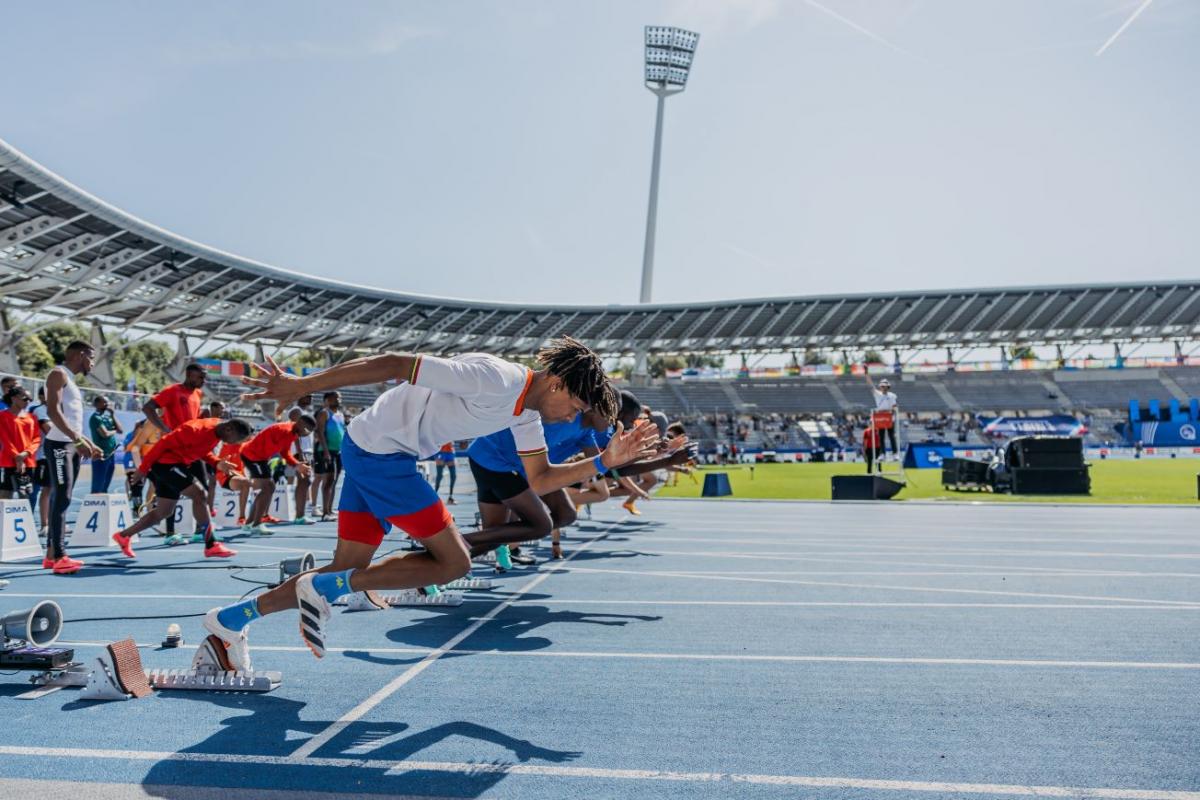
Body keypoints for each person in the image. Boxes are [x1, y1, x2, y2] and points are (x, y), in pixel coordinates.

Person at [202, 338, 654, 671]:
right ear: (555, 384)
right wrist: (302, 384)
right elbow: (395, 363)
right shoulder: (495, 377)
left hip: (373, 451)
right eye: (573, 406)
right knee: (453, 562)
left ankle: (226, 621)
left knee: (339, 571)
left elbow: (541, 478)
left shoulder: (526, 411)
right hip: (383, 455)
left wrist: (603, 461)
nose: (571, 418)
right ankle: (323, 591)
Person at [112, 417, 253, 558]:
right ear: (229, 429)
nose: (234, 443)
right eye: (236, 439)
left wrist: (217, 463)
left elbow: (202, 450)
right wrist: (142, 470)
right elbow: (161, 444)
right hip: (166, 465)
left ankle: (123, 536)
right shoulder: (195, 430)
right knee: (200, 494)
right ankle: (211, 544)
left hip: (175, 465)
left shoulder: (217, 432)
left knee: (163, 512)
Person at [43, 341, 103, 574]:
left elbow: (73, 423)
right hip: (59, 446)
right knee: (62, 497)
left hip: (70, 445)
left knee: (63, 498)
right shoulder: (58, 374)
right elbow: (53, 412)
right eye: (91, 358)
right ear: (80, 355)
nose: (93, 363)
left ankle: (50, 556)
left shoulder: (71, 381)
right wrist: (77, 441)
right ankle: (60, 556)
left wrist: (89, 443)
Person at [239, 416, 316, 534]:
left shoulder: (293, 432)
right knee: (268, 487)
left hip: (260, 458)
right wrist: (296, 465)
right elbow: (274, 449)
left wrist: (297, 464)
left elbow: (284, 452)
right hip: (252, 456)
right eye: (306, 430)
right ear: (299, 423)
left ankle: (249, 523)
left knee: (267, 488)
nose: (306, 434)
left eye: (309, 432)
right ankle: (256, 524)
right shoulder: (285, 431)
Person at [0, 385, 40, 500]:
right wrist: (17, 457)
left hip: (28, 462)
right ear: (13, 398)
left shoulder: (32, 418)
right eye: (24, 398)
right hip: (8, 462)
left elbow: (37, 439)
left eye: (30, 399)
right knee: (5, 495)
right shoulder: (2, 416)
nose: (28, 401)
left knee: (25, 495)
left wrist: (26, 453)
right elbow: (4, 439)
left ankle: (26, 518)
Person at [312, 390, 346, 520]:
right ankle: (325, 512)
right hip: (326, 451)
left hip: (338, 451)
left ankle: (330, 510)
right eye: (335, 398)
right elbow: (319, 432)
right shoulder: (324, 413)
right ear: (327, 400)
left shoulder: (341, 415)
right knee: (328, 481)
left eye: (339, 397)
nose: (338, 399)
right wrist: (326, 451)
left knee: (334, 481)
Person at [87, 396, 123, 494]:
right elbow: (105, 434)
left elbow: (120, 430)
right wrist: (114, 431)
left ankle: (102, 506)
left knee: (105, 484)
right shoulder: (95, 418)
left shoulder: (108, 417)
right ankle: (93, 505)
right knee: (98, 484)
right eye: (104, 402)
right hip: (101, 454)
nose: (107, 404)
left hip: (111, 454)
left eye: (107, 402)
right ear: (96, 404)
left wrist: (113, 414)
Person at [865, 370, 899, 459]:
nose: (883, 387)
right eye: (882, 386)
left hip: (889, 418)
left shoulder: (892, 395)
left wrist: (889, 412)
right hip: (880, 418)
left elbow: (894, 407)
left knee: (891, 436)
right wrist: (866, 373)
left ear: (888, 387)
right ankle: (882, 454)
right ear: (880, 387)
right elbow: (870, 385)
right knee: (881, 437)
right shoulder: (877, 394)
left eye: (885, 386)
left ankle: (895, 454)